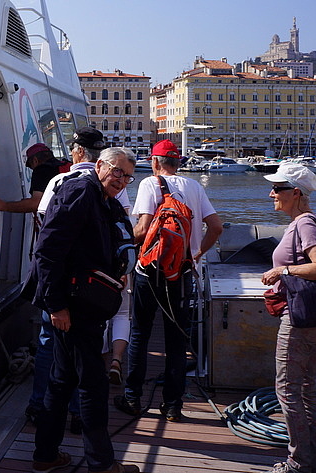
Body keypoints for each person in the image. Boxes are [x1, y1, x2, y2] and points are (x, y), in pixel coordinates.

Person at [29, 147, 140, 473]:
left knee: (62, 379)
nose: (121, 180)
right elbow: (47, 251)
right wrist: (57, 306)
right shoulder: (80, 192)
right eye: (117, 172)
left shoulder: (102, 198)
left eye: (127, 177)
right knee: (92, 385)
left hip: (84, 301)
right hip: (75, 306)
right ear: (100, 165)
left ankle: (45, 456)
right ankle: (102, 464)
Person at [116, 139, 223, 423]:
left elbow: (142, 230)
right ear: (177, 163)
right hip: (183, 272)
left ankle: (132, 398)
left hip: (149, 273)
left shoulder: (150, 184)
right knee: (177, 339)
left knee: (140, 333)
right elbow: (216, 227)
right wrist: (197, 253)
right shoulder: (195, 187)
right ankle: (173, 405)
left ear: (154, 162)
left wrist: (118, 241)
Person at [259, 163, 316, 473]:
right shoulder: (303, 223)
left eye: (278, 188)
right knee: (304, 389)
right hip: (314, 318)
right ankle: (313, 461)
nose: (271, 193)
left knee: (288, 390)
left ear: (296, 193)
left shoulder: (304, 224)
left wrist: (282, 270)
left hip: (300, 320)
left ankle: (298, 462)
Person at [0, 143, 62, 213]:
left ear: (35, 160)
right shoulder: (64, 165)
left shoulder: (41, 170)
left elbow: (36, 204)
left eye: (30, 165)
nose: (32, 169)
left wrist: (4, 206)